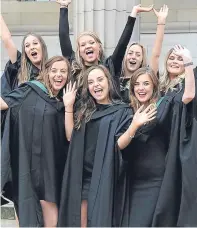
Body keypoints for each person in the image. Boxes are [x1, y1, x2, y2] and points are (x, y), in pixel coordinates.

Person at [58, 65, 156, 227]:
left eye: (100, 79)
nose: (96, 84)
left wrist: (134, 125)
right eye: (91, 82)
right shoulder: (85, 111)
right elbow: (71, 137)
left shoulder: (122, 110)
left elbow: (119, 144)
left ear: (108, 82)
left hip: (105, 175)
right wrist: (68, 106)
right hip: (81, 178)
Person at [1, 56, 70, 227]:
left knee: (52, 222)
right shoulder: (29, 91)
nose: (58, 75)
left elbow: (68, 137)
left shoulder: (65, 101)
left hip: (51, 170)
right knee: (28, 218)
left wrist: (69, 106)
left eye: (63, 71)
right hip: (28, 168)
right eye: (54, 71)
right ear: (46, 72)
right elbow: (4, 104)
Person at [56, 0, 153, 91]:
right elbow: (63, 37)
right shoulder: (74, 67)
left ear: (99, 47)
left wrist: (133, 15)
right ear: (79, 52)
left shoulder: (110, 66)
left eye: (91, 42)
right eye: (83, 45)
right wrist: (64, 7)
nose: (88, 46)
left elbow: (122, 44)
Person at [120, 4, 168, 103]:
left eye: (138, 55)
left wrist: (161, 22)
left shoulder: (148, 75)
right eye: (130, 53)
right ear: (125, 56)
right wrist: (133, 13)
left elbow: (156, 55)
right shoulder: (115, 78)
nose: (133, 57)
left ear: (142, 59)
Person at [0, 14, 48, 95]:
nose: (32, 47)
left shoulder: (51, 71)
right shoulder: (20, 64)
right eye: (27, 46)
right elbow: (7, 39)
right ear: (25, 52)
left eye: (35, 43)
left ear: (42, 46)